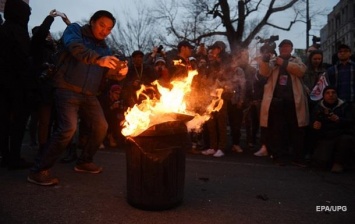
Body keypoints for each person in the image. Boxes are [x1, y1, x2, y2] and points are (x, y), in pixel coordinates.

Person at [27, 10, 128, 186]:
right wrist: (98, 59)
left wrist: (119, 73)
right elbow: (75, 48)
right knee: (68, 128)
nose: (105, 31)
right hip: (66, 87)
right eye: (102, 25)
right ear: (92, 22)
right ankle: (39, 169)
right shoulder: (75, 31)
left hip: (89, 94)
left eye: (109, 29)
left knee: (101, 126)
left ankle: (84, 161)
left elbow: (107, 73)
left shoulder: (105, 47)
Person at [258, 39, 309, 166]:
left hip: (293, 102)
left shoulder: (296, 60)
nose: (284, 49)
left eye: (287, 47)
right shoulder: (273, 61)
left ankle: (297, 157)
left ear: (291, 49)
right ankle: (278, 156)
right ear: (279, 49)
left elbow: (301, 71)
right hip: (276, 102)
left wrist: (284, 63)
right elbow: (264, 72)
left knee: (296, 130)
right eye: (282, 47)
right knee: (278, 131)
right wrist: (264, 61)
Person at [0, 0, 33, 170]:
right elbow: (23, 58)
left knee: (4, 122)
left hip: (4, 85)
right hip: (17, 86)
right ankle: (13, 157)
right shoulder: (18, 31)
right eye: (27, 14)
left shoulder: (4, 29)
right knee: (18, 123)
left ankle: (5, 155)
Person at [311, 86, 354, 173]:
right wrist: (315, 126)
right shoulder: (318, 107)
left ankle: (339, 163)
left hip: (340, 135)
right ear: (323, 95)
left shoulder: (344, 106)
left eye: (333, 93)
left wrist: (339, 120)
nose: (331, 95)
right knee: (321, 163)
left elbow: (351, 122)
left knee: (346, 139)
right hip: (326, 137)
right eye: (327, 93)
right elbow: (312, 123)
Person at [326, 44, 355, 122]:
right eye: (340, 51)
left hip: (353, 101)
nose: (342, 53)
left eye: (345, 51)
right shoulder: (331, 70)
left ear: (350, 53)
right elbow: (329, 86)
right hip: (338, 103)